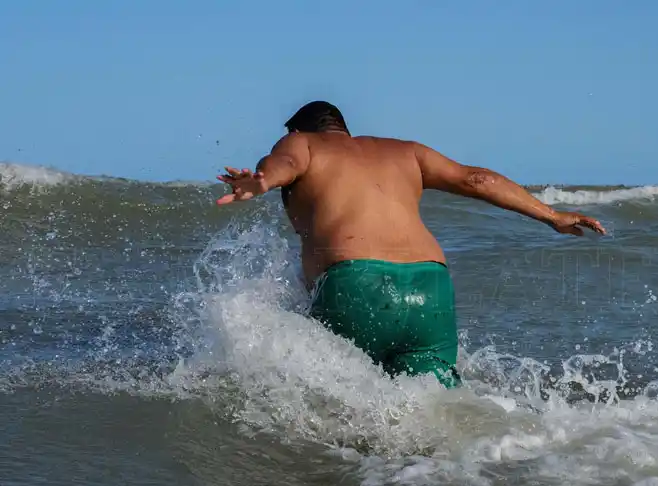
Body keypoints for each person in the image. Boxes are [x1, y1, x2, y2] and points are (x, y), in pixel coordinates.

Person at [216, 101, 606, 388]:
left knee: (342, 412)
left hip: (358, 287)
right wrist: (552, 216)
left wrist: (263, 180)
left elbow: (283, 164)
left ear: (300, 132)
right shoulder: (406, 151)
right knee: (434, 418)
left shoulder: (303, 146)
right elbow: (475, 179)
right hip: (429, 290)